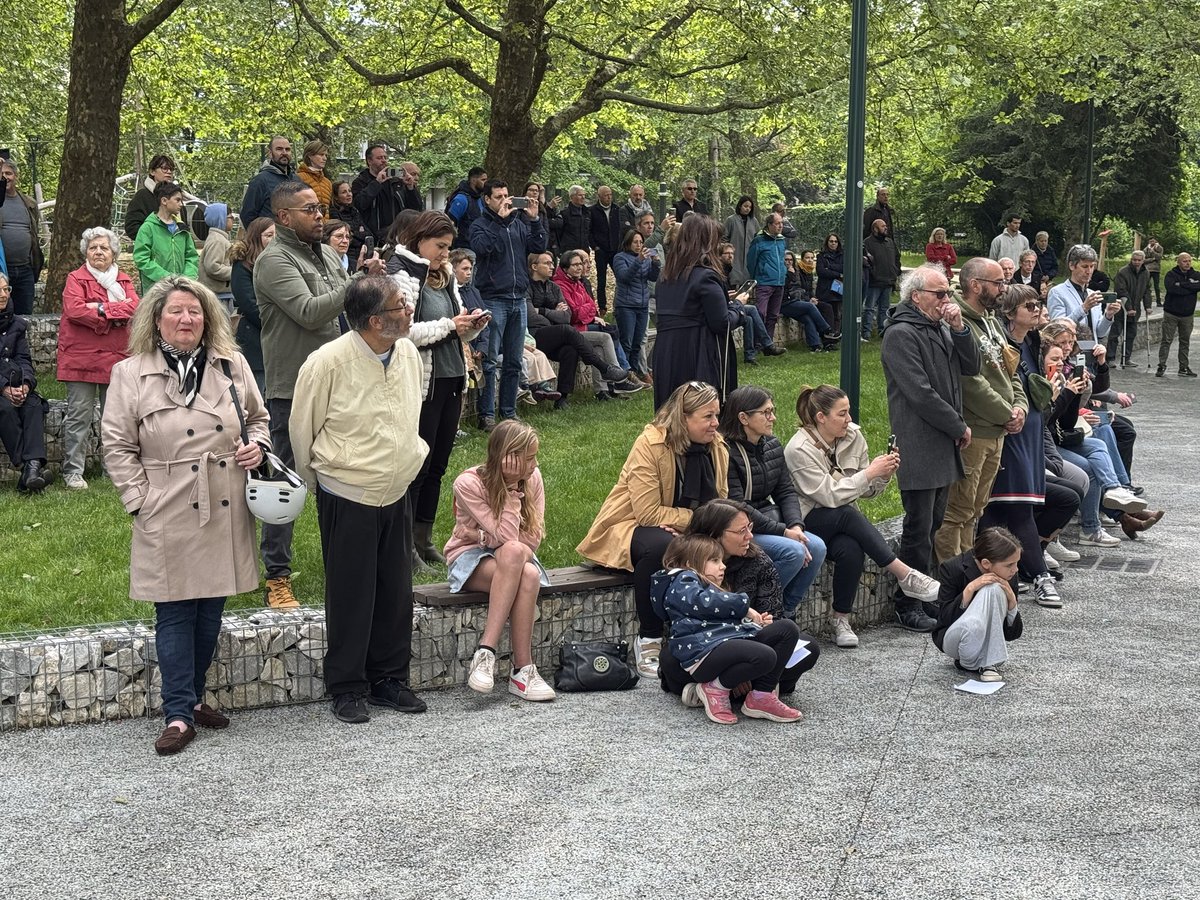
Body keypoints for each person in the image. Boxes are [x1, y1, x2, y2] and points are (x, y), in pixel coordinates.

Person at [102, 276, 269, 755]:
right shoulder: (130, 373)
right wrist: (140, 499)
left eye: (195, 312)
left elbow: (258, 419)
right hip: (166, 500)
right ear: (156, 320)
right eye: (175, 311)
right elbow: (116, 444)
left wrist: (256, 448)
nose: (186, 320)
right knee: (174, 610)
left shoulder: (231, 364)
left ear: (208, 318)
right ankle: (177, 712)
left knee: (211, 606)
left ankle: (192, 701)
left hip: (223, 497)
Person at [290, 275, 428, 725]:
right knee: (352, 592)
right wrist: (324, 480)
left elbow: (412, 408)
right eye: (399, 306)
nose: (408, 311)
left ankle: (390, 678)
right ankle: (347, 686)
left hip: (397, 487)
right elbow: (302, 430)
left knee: (396, 590)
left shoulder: (406, 351)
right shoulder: (326, 362)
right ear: (373, 320)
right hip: (346, 490)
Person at [254, 181, 387, 610]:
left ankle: (345, 565)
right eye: (309, 209)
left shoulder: (329, 253)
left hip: (340, 383)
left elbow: (345, 311)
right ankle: (277, 576)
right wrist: (355, 283)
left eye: (321, 207)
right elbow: (311, 312)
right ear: (284, 217)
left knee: (343, 476)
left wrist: (369, 284)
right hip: (293, 387)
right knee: (286, 483)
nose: (318, 214)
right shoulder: (273, 261)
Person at [577, 381, 728, 677]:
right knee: (661, 546)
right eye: (708, 416)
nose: (716, 423)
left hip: (680, 525)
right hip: (629, 525)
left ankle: (724, 629)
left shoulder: (716, 446)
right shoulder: (650, 444)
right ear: (684, 418)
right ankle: (649, 637)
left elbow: (720, 500)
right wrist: (697, 521)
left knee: (738, 540)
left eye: (717, 414)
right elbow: (647, 513)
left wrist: (694, 524)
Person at [785, 384, 941, 647]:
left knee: (851, 547)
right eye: (842, 414)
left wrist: (882, 475)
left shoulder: (853, 436)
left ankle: (840, 619)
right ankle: (904, 574)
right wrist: (868, 474)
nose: (849, 420)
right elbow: (829, 496)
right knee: (845, 514)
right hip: (807, 519)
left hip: (843, 521)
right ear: (820, 417)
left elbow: (866, 493)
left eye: (849, 413)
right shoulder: (798, 449)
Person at [881, 265, 980, 632]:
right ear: (916, 295)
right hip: (921, 439)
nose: (946, 300)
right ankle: (906, 604)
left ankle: (925, 597)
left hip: (943, 439)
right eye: (940, 294)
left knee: (934, 523)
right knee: (918, 526)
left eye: (948, 293)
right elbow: (920, 393)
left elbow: (971, 367)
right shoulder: (901, 333)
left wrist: (960, 329)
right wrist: (958, 426)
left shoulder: (939, 325)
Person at [391, 211, 488, 566]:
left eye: (449, 246)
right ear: (420, 241)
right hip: (422, 384)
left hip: (451, 377)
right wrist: (451, 324)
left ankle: (423, 537)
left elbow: (455, 326)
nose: (446, 253)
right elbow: (403, 332)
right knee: (418, 464)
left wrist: (472, 324)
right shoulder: (401, 274)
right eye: (440, 246)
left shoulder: (446, 277)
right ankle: (404, 544)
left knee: (438, 466)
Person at [670, 500, 821, 703]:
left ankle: (724, 688)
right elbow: (680, 625)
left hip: (754, 647)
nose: (750, 536)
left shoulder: (758, 561)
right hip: (707, 650)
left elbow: (773, 614)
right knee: (670, 660)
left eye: (750, 527)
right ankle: (744, 686)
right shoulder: (691, 565)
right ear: (716, 534)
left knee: (808, 647)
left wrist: (764, 624)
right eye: (741, 531)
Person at [447, 421, 556, 702]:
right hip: (469, 558)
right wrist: (509, 490)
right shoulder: (468, 483)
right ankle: (512, 664)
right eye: (528, 458)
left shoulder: (533, 478)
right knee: (517, 560)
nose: (534, 464)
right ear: (509, 457)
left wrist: (479, 534)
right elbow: (510, 536)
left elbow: (530, 541)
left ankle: (496, 656)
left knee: (524, 567)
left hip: (511, 558)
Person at [649, 533, 804, 725]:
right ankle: (715, 689)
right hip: (703, 653)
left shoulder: (708, 587)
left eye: (721, 560)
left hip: (720, 644)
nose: (722, 566)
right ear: (690, 564)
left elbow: (724, 623)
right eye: (714, 560)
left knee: (787, 629)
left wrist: (754, 625)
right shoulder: (682, 580)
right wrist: (744, 607)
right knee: (765, 656)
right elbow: (702, 603)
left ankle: (762, 695)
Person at [933, 257, 1025, 563]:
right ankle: (953, 582)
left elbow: (1011, 371)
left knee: (976, 509)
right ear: (975, 285)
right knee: (956, 511)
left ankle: (968, 569)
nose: (1003, 289)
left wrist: (1020, 407)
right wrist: (1005, 414)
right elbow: (969, 382)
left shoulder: (991, 321)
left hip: (998, 431)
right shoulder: (957, 323)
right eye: (998, 283)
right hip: (974, 433)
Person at [976, 285, 1060, 607]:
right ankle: (1039, 576)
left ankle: (1003, 574)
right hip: (1010, 434)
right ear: (1010, 313)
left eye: (1038, 304)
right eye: (1029, 306)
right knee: (1012, 506)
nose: (1037, 310)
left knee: (1003, 507)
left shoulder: (1034, 342)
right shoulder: (1002, 345)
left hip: (1032, 433)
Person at [720, 386, 828, 617]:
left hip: (768, 520)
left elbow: (785, 492)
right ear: (743, 418)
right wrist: (784, 532)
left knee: (816, 546)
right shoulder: (726, 452)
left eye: (773, 411)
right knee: (793, 552)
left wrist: (796, 526)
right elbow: (736, 505)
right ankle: (757, 612)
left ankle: (783, 612)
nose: (773, 418)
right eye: (766, 412)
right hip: (740, 526)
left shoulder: (772, 444)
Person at [58, 227, 140, 490]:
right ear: (86, 252)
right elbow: (75, 311)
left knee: (113, 418)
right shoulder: (75, 279)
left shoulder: (124, 281)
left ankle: (112, 469)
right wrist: (113, 317)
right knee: (79, 417)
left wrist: (102, 308)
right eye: (93, 248)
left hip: (115, 358)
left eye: (104, 247)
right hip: (81, 358)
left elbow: (135, 307)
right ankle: (73, 472)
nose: (98, 252)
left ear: (114, 252)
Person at [469, 179, 547, 427]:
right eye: (499, 197)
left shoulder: (518, 223)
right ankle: (486, 414)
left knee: (514, 360)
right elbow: (483, 249)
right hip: (494, 297)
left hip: (518, 298)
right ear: (487, 200)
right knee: (491, 360)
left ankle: (508, 411)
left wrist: (534, 220)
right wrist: (499, 221)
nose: (505, 200)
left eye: (507, 195)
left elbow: (538, 246)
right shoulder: (480, 225)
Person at [651, 216, 742, 407]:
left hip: (667, 350)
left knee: (672, 410)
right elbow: (721, 322)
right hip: (697, 351)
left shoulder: (666, 276)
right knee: (699, 410)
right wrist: (738, 308)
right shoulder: (706, 276)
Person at [525, 251, 632, 411]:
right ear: (534, 266)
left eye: (552, 263)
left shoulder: (554, 288)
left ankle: (562, 398)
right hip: (534, 337)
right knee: (567, 331)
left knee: (570, 349)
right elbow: (530, 317)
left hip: (555, 333)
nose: (551, 266)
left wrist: (543, 311)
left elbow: (567, 316)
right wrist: (554, 313)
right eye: (547, 263)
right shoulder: (526, 287)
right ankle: (604, 368)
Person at [932, 528, 1024, 682]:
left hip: (988, 643)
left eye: (1016, 563)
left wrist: (1012, 604)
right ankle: (982, 663)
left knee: (994, 588)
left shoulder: (1009, 573)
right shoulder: (952, 568)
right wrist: (968, 591)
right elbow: (944, 619)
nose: (1015, 569)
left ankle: (987, 663)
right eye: (1010, 565)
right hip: (957, 639)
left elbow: (1011, 635)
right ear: (986, 563)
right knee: (977, 619)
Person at [0, 273, 50, 493]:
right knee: (5, 409)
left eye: (6, 289)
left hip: (17, 383)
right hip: (1, 389)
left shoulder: (17, 324)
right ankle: (30, 469)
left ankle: (30, 472)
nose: (4, 295)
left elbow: (24, 359)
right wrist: (3, 388)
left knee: (32, 405)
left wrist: (26, 385)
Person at [553, 249, 636, 379]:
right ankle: (620, 376)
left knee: (602, 341)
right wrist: (588, 310)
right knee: (606, 336)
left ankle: (603, 389)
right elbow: (574, 314)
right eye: (575, 265)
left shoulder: (578, 283)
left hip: (582, 324)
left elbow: (592, 305)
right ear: (565, 268)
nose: (580, 267)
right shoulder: (561, 285)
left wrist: (587, 310)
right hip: (573, 329)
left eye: (581, 263)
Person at [227, 217, 274, 394]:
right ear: (256, 236)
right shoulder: (243, 265)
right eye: (268, 235)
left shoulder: (278, 262)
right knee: (255, 389)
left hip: (275, 339)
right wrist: (273, 324)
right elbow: (248, 302)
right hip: (254, 335)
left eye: (276, 235)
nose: (273, 239)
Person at [719, 242, 779, 365]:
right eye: (727, 253)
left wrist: (730, 296)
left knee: (748, 320)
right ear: (719, 256)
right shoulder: (718, 271)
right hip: (721, 311)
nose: (730, 256)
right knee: (751, 309)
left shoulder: (728, 270)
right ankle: (767, 344)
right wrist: (728, 298)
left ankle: (749, 356)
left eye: (732, 253)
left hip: (727, 304)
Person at [133, 182, 199, 294]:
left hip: (181, 289)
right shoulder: (147, 228)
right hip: (155, 291)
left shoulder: (182, 228)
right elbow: (142, 259)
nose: (181, 204)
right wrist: (167, 277)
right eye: (177, 200)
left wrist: (186, 279)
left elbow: (191, 256)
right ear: (164, 201)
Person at [612, 226, 660, 380]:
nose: (639, 245)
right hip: (626, 305)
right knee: (626, 341)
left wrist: (655, 264)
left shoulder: (645, 258)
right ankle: (624, 375)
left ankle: (634, 373)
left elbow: (651, 278)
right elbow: (624, 277)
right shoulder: (620, 258)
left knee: (637, 343)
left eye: (641, 242)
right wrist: (638, 261)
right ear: (628, 243)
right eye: (635, 242)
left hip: (642, 304)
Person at [1046, 243, 1120, 342]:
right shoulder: (1057, 292)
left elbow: (1099, 333)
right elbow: (1058, 328)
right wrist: (1084, 308)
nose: (1089, 271)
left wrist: (1108, 315)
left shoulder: (1092, 294)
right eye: (1085, 266)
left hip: (1093, 352)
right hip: (1069, 352)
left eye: (1092, 266)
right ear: (1072, 266)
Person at [0, 160, 46, 316]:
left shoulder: (29, 203)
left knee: (25, 316)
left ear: (16, 176)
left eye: (8, 173)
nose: (4, 177)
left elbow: (34, 234)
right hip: (2, 270)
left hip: (25, 270)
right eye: (1, 174)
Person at [350, 143, 408, 244]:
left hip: (396, 235)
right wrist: (377, 183)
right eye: (379, 158)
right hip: (373, 236)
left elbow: (414, 206)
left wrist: (411, 187)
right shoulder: (360, 182)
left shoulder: (395, 182)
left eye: (385, 157)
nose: (384, 160)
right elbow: (360, 204)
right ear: (369, 161)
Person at [746, 213, 789, 343]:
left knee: (773, 316)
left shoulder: (782, 240)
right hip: (764, 282)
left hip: (779, 282)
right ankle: (757, 343)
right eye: (777, 223)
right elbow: (751, 261)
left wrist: (784, 273)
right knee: (760, 314)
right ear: (769, 225)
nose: (780, 225)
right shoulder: (759, 240)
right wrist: (757, 277)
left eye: (781, 223)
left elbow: (782, 259)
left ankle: (768, 344)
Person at [240, 137, 300, 226]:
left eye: (287, 149)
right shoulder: (260, 181)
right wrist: (260, 236)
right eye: (279, 149)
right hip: (271, 237)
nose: (284, 153)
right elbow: (247, 216)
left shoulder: (297, 180)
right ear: (270, 153)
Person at [1158, 252, 1200, 378]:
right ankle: (1161, 365)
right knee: (1166, 340)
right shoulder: (1171, 275)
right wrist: (1189, 288)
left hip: (1187, 314)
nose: (1187, 263)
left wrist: (1181, 284)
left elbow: (1198, 286)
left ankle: (1183, 367)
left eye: (1189, 261)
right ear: (1178, 262)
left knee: (1185, 341)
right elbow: (1172, 289)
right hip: (1171, 313)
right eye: (1184, 261)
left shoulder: (1196, 274)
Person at [123, 154, 177, 242]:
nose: (169, 172)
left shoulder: (177, 197)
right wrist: (153, 241)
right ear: (152, 172)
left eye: (171, 169)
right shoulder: (142, 196)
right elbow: (132, 227)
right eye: (164, 168)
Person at [1111, 250, 1149, 368]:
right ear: (1131, 260)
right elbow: (1121, 291)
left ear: (1143, 261)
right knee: (1115, 334)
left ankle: (1126, 358)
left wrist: (1148, 306)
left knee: (1131, 334)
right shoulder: (1123, 272)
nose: (1136, 262)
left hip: (1136, 308)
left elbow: (1147, 290)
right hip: (1121, 308)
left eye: (1139, 260)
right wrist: (1128, 308)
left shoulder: (1146, 273)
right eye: (1134, 260)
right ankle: (1110, 358)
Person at [863, 218, 900, 340]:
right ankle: (866, 333)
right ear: (875, 229)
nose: (886, 228)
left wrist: (895, 271)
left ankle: (882, 331)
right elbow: (866, 261)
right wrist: (873, 273)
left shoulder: (889, 242)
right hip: (874, 281)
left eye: (885, 226)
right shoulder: (867, 243)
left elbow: (896, 257)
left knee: (884, 308)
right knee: (869, 307)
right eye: (883, 226)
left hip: (888, 280)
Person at [590, 185, 622, 313]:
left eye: (610, 195)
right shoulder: (592, 211)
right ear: (599, 196)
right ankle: (602, 307)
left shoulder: (617, 209)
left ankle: (619, 304)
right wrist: (595, 247)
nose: (609, 197)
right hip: (601, 249)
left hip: (615, 249)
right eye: (606, 195)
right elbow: (589, 231)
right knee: (601, 280)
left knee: (621, 276)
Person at [197, 203, 234, 311]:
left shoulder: (219, 238)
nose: (233, 220)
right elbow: (213, 267)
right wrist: (235, 271)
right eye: (231, 217)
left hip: (221, 294)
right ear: (221, 219)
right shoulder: (217, 240)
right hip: (217, 296)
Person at [445, 166, 487, 250]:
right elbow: (449, 224)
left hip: (477, 246)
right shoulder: (461, 199)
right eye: (483, 180)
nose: (486, 183)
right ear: (473, 180)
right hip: (464, 248)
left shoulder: (480, 198)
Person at [328, 179, 369, 261]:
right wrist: (359, 233)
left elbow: (367, 233)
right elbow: (346, 237)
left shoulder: (355, 211)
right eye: (344, 192)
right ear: (336, 197)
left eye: (349, 191)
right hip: (345, 255)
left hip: (360, 254)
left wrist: (356, 234)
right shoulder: (334, 213)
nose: (349, 194)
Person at [722, 196, 759, 286]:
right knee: (734, 279)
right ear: (740, 206)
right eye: (745, 206)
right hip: (734, 255)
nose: (747, 209)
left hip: (749, 256)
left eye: (750, 207)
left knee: (748, 282)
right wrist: (728, 251)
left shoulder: (754, 221)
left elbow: (758, 238)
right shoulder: (731, 220)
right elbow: (724, 237)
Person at [816, 232, 845, 331]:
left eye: (836, 241)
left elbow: (844, 268)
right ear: (827, 242)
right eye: (831, 241)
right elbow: (821, 271)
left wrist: (829, 267)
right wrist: (838, 274)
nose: (833, 243)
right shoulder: (821, 256)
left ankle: (835, 335)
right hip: (825, 290)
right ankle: (827, 335)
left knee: (837, 314)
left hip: (838, 290)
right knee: (827, 315)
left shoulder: (843, 255)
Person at [296, 140, 333, 214]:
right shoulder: (298, 178)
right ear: (310, 155)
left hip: (325, 224)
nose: (325, 158)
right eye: (321, 154)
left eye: (326, 155)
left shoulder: (327, 182)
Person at [556, 186, 591, 256]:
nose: (583, 197)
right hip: (569, 252)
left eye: (584, 195)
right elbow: (558, 233)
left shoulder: (587, 213)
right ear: (572, 197)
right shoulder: (564, 214)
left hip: (584, 251)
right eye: (580, 195)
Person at [1143, 237, 1164, 308]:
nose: (1152, 242)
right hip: (1147, 269)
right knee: (1146, 286)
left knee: (1156, 286)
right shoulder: (1146, 249)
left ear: (1155, 241)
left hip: (1156, 270)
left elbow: (1159, 257)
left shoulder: (1160, 248)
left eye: (1153, 241)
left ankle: (1158, 302)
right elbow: (1143, 260)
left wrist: (1152, 251)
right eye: (1150, 241)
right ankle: (1146, 301)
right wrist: (1153, 259)